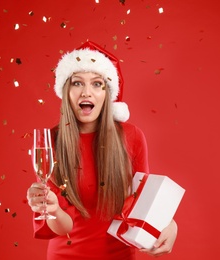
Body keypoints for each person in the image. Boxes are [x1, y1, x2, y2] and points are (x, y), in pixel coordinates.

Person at [26, 41, 178, 259]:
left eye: (97, 84)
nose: (86, 92)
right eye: (77, 83)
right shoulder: (50, 142)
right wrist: (52, 208)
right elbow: (64, 226)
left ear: (108, 93)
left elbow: (142, 200)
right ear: (66, 91)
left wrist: (171, 224)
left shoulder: (132, 136)